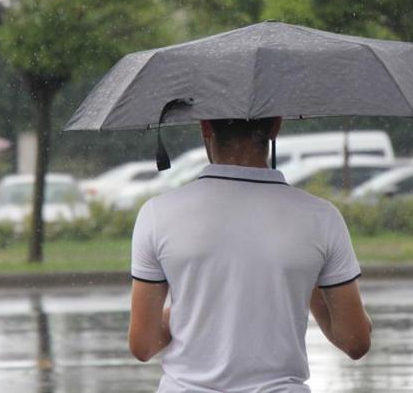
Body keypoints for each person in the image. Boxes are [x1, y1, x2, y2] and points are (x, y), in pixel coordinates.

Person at [129, 117, 372, 392]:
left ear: (205, 126)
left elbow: (143, 344)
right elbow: (355, 341)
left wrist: (190, 311)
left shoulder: (157, 214)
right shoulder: (321, 217)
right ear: (276, 126)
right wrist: (302, 279)